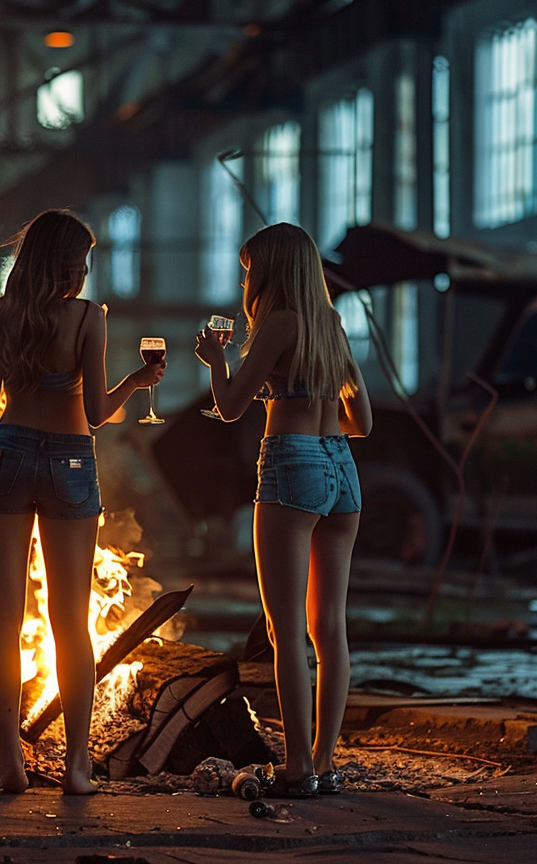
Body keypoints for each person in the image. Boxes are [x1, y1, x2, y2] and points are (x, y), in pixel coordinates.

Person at [0, 209, 166, 794]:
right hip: (71, 460)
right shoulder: (88, 317)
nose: (84, 270)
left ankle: (11, 763)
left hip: (6, 455)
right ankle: (77, 768)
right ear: (65, 263)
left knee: (4, 619)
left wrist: (9, 452)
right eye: (80, 259)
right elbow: (97, 414)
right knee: (69, 623)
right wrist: (135, 383)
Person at [194, 223, 372, 797]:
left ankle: (297, 770)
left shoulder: (279, 323)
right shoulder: (333, 325)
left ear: (271, 271)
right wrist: (313, 411)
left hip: (292, 466)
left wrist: (214, 360)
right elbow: (363, 423)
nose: (246, 278)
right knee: (330, 629)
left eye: (250, 269)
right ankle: (323, 762)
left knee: (285, 629)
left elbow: (228, 406)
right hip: (342, 470)